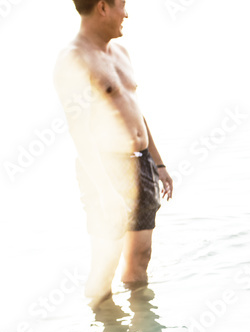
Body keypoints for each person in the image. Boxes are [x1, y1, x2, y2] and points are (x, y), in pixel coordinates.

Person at [54, 0, 174, 308]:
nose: (127, 13)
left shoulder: (120, 52)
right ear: (102, 7)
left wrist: (158, 162)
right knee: (105, 266)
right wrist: (107, 192)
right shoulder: (74, 59)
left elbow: (134, 111)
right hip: (106, 170)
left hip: (142, 163)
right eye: (122, 5)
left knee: (140, 258)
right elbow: (79, 131)